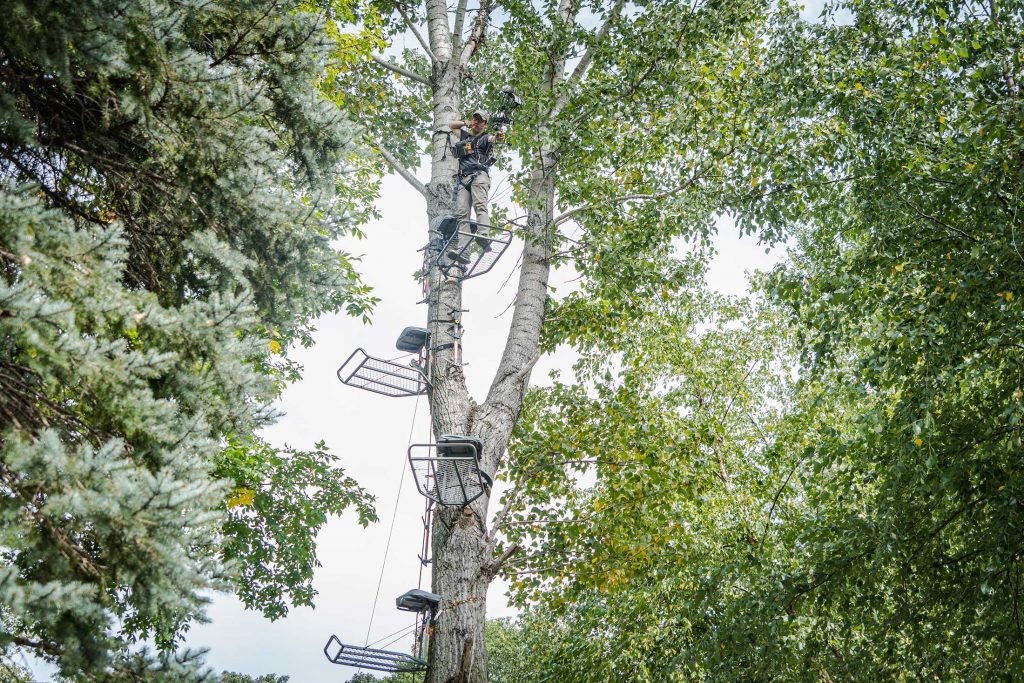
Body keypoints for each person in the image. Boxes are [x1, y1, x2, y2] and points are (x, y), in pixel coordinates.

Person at [447, 110, 505, 264]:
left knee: (480, 205)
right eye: (475, 119)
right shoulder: (465, 136)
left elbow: (495, 139)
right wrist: (464, 122)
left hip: (479, 176)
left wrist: (498, 136)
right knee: (461, 214)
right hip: (463, 180)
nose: (477, 123)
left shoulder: (485, 138)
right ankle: (463, 251)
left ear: (485, 125)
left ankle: (484, 236)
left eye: (481, 121)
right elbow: (451, 125)